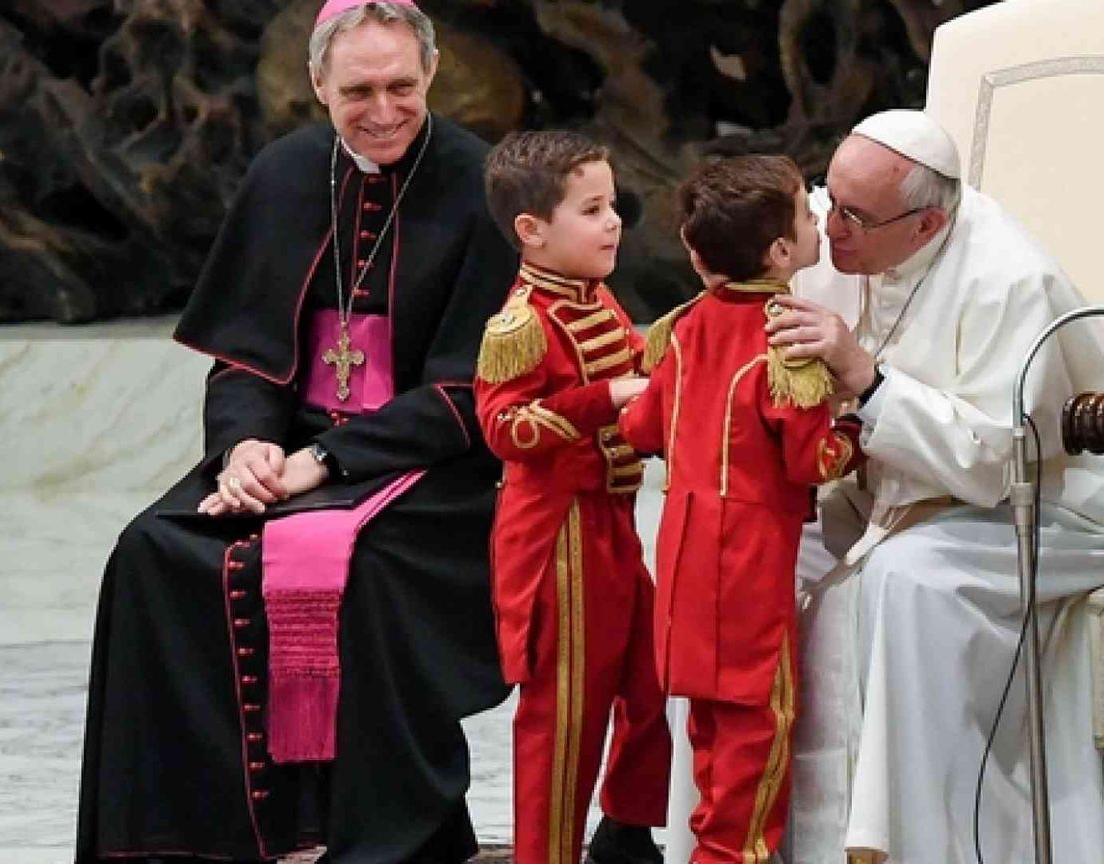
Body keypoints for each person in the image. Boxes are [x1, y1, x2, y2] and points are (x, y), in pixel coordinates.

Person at [75, 2, 519, 861]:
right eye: (359, 90)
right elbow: (243, 358)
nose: (383, 109)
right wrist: (244, 446)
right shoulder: (283, 175)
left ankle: (383, 836)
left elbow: (470, 389)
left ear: (431, 75)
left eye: (402, 85)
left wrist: (328, 460)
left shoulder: (481, 185)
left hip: (430, 464)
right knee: (152, 552)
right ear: (318, 84)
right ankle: (196, 838)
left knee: (366, 571)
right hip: (284, 455)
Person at [763, 109, 1104, 864]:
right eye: (828, 200)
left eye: (855, 215)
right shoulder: (834, 238)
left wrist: (869, 384)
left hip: (1041, 506)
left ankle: (913, 847)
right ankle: (754, 842)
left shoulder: (1010, 279)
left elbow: (1001, 463)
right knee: (746, 555)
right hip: (883, 500)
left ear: (929, 223)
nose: (831, 229)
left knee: (909, 581)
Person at [617, 154, 865, 864]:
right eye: (805, 212)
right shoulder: (787, 343)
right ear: (782, 252)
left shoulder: (683, 328)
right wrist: (854, 432)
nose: (819, 217)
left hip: (683, 556)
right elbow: (809, 461)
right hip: (749, 568)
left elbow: (640, 429)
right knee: (760, 738)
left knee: (710, 739)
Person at [473, 130, 672, 864]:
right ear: (532, 231)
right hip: (558, 536)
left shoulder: (594, 294)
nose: (613, 221)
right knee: (565, 715)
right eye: (591, 209)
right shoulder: (523, 323)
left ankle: (626, 828)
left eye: (612, 204)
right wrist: (603, 399)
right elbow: (503, 427)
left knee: (650, 683)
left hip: (611, 522)